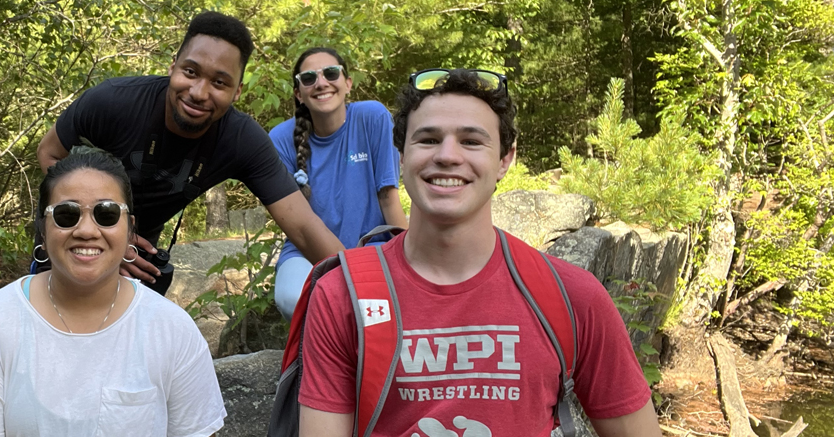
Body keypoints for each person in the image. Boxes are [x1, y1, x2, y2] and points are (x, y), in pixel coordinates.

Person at [297, 69, 661, 437]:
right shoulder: (342, 297)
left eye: (471, 141)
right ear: (401, 156)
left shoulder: (571, 297)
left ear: (506, 159)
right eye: (428, 139)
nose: (447, 155)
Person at [35, 11, 343, 293]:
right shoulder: (114, 102)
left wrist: (367, 284)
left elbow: (303, 227)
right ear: (173, 66)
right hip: (72, 232)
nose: (198, 92)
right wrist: (105, 231)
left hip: (140, 248)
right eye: (191, 71)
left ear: (237, 92)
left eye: (219, 82)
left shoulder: (242, 141)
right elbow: (49, 153)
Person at [0, 147, 226, 436]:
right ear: (43, 228)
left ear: (129, 230)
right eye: (66, 214)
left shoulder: (172, 331)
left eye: (107, 214)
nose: (87, 230)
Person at [269, 47, 407, 320]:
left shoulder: (373, 117)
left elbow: (389, 198)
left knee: (378, 307)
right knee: (292, 298)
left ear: (348, 83)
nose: (321, 83)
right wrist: (343, 270)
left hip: (373, 247)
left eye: (331, 73)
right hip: (307, 251)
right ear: (299, 93)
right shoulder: (280, 139)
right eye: (308, 78)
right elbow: (299, 224)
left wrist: (412, 261)